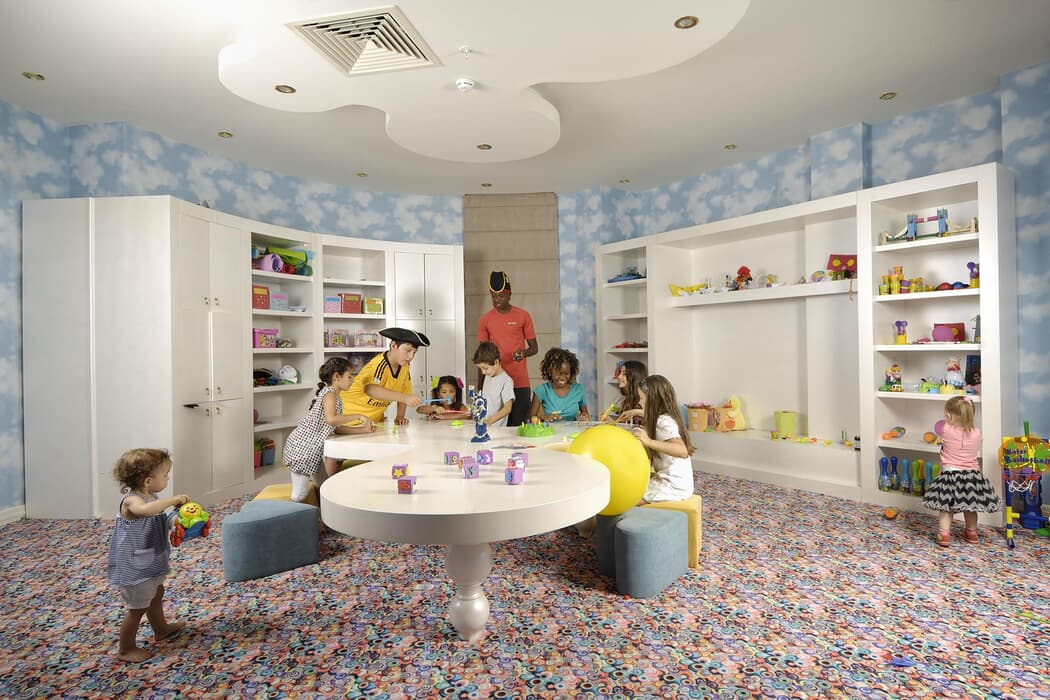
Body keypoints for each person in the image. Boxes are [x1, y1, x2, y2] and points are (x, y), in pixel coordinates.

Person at [107, 448, 190, 662]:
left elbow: (160, 517)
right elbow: (145, 511)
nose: (168, 478)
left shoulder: (152, 498)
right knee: (137, 608)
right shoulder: (132, 501)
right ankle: (126, 648)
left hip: (151, 560)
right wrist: (172, 499)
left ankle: (161, 629)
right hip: (135, 566)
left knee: (156, 594)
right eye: (165, 474)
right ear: (147, 481)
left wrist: (177, 521)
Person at [284, 357, 375, 502]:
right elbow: (331, 419)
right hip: (303, 449)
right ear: (337, 377)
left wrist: (363, 430)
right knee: (299, 494)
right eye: (350, 376)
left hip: (312, 450)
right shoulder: (330, 394)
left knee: (325, 486)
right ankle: (291, 514)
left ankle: (325, 513)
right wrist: (358, 416)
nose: (353, 380)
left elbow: (336, 428)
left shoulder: (334, 396)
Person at [922, 395, 1001, 546]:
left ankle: (944, 535)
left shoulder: (945, 430)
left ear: (948, 415)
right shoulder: (977, 433)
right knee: (970, 507)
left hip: (950, 475)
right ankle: (971, 533)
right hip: (972, 476)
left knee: (946, 508)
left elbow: (939, 431)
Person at [477, 271, 538, 427]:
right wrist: (480, 387)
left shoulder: (523, 316)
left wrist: (523, 353)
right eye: (493, 296)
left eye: (501, 296)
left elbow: (534, 348)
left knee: (518, 427)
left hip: (519, 382)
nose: (497, 300)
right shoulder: (485, 320)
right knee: (496, 427)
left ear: (509, 294)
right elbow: (482, 357)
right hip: (494, 383)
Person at [340, 327, 428, 425]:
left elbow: (405, 390)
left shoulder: (405, 366)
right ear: (393, 346)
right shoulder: (379, 365)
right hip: (348, 421)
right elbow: (371, 389)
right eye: (408, 350)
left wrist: (400, 416)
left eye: (414, 352)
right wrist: (405, 398)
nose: (411, 356)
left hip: (371, 422)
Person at [633, 375, 696, 503]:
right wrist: (635, 412)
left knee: (628, 498)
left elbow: (682, 451)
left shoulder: (663, 422)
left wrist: (648, 441)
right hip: (674, 482)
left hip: (673, 486)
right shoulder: (664, 417)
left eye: (642, 398)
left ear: (652, 401)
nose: (639, 403)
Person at [529, 347, 590, 422]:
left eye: (566, 374)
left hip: (573, 429)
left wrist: (584, 416)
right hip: (550, 429)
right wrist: (543, 417)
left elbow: (585, 413)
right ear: (550, 371)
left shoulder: (578, 389)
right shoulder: (541, 390)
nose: (562, 378)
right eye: (558, 373)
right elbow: (529, 420)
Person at [472, 341, 516, 428]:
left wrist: (489, 421)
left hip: (496, 428)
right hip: (484, 425)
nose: (483, 372)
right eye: (481, 369)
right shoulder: (488, 375)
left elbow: (507, 408)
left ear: (496, 362)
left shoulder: (506, 381)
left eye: (485, 368)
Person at [601, 360, 647, 424]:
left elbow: (654, 418)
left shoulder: (645, 400)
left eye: (624, 374)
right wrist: (612, 423)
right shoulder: (627, 399)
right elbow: (626, 426)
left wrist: (635, 411)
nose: (619, 377)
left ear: (634, 376)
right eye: (620, 373)